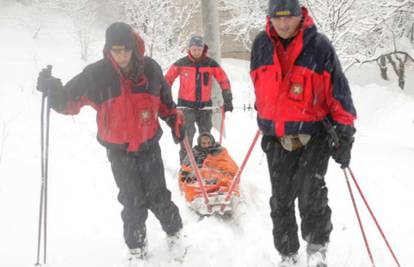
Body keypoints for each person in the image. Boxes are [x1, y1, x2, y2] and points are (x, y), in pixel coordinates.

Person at [36, 22, 185, 262]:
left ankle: (175, 233)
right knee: (132, 200)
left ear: (133, 47)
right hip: (119, 152)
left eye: (126, 49)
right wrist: (53, 91)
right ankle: (136, 247)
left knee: (158, 195)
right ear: (108, 50)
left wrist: (175, 121)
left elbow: (166, 103)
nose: (122, 55)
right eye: (116, 50)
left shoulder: (150, 69)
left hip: (149, 147)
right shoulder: (96, 75)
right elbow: (68, 102)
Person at [250, 0, 357, 266]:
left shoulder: (319, 47)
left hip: (314, 137)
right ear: (270, 18)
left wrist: (345, 136)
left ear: (301, 16)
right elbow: (260, 87)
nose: (284, 24)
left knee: (311, 194)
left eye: (290, 18)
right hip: (277, 138)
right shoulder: (261, 46)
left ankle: (317, 247)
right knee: (281, 200)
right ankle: (287, 254)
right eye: (278, 18)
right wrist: (266, 121)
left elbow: (338, 92)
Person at [165, 36, 234, 163]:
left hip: (205, 107)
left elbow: (223, 79)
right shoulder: (181, 63)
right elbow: (167, 81)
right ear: (189, 49)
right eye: (194, 49)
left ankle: (207, 163)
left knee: (206, 137)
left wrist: (227, 97)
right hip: (186, 108)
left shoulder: (210, 63)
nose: (196, 52)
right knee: (187, 136)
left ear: (203, 49)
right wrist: (167, 100)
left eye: (199, 49)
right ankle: (186, 164)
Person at [179, 132, 239, 203]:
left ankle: (223, 194)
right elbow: (185, 169)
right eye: (203, 143)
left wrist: (223, 173)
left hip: (218, 178)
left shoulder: (219, 151)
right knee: (191, 183)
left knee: (228, 181)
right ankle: (199, 197)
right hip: (201, 181)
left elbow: (229, 165)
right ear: (200, 144)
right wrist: (191, 174)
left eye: (208, 142)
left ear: (212, 142)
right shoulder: (194, 153)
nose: (207, 145)